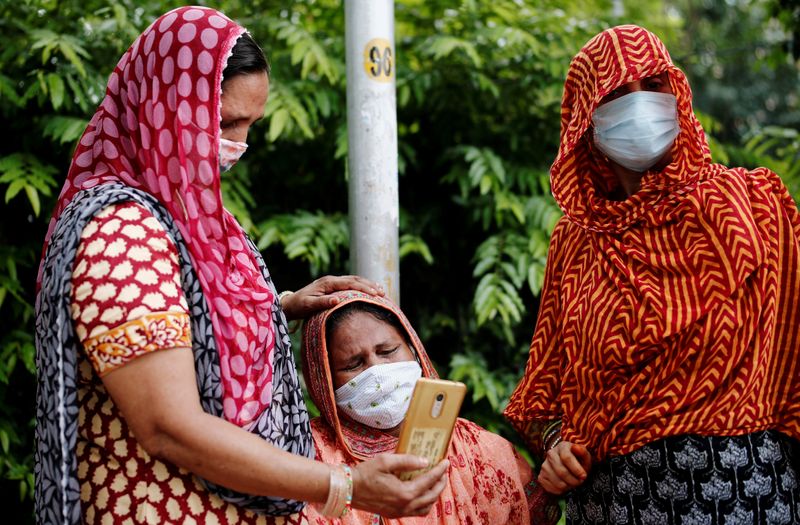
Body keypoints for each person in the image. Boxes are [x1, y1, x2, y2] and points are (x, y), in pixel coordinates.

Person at [35, 7, 448, 525]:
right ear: (162, 109)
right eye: (226, 123)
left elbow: (179, 321)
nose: (239, 145)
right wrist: (342, 484)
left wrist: (278, 307)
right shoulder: (122, 232)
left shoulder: (181, 211)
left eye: (250, 125)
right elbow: (168, 424)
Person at [504, 24, 800, 524]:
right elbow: (543, 395)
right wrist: (555, 447)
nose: (639, 105)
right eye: (617, 93)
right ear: (586, 121)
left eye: (653, 86)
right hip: (614, 503)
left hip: (743, 497)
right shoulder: (577, 241)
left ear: (677, 94)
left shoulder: (755, 207)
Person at [300, 291, 560, 525]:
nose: (377, 371)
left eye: (388, 351)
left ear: (414, 350)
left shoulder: (482, 451)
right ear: (324, 381)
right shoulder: (308, 457)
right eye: (353, 365)